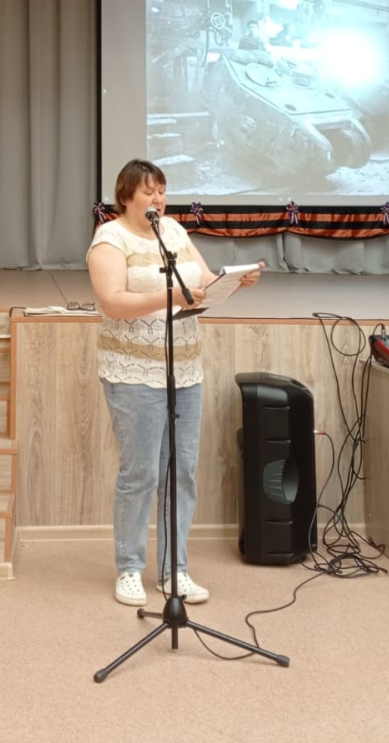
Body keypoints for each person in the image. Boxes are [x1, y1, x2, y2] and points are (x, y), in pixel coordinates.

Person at [87, 159, 262, 607]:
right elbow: (112, 302)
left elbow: (202, 282)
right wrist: (168, 296)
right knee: (141, 473)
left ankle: (174, 570)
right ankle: (129, 568)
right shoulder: (110, 239)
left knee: (181, 472)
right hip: (134, 372)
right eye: (148, 192)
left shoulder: (174, 233)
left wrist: (233, 281)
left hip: (184, 370)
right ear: (125, 196)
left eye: (162, 191)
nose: (158, 200)